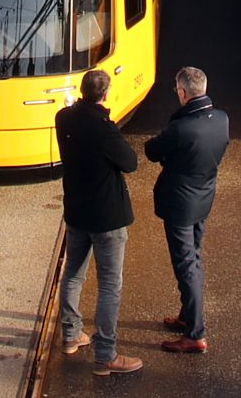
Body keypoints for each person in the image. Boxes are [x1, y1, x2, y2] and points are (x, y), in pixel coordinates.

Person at [55, 68, 143, 377]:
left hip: (76, 212)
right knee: (109, 285)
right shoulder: (104, 128)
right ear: (104, 94)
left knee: (73, 275)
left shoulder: (63, 118)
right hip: (106, 218)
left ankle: (70, 335)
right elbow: (130, 163)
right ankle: (105, 355)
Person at [145, 66, 229, 355]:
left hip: (179, 205)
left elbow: (151, 151)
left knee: (186, 265)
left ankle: (195, 333)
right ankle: (186, 315)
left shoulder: (181, 128)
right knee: (193, 257)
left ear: (182, 93)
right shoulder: (221, 120)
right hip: (203, 199)